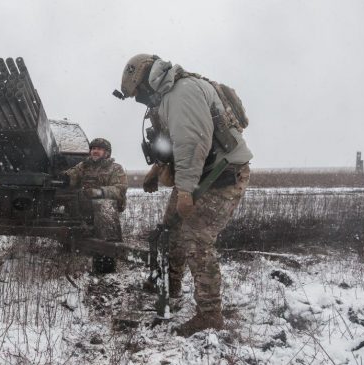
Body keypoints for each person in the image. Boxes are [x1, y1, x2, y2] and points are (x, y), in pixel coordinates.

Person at [118, 54, 253, 336]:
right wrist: (158, 169)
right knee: (170, 227)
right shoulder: (169, 95)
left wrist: (185, 192)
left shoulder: (182, 93)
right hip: (199, 175)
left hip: (222, 177)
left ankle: (210, 314)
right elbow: (176, 142)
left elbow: (192, 144)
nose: (142, 101)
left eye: (139, 95)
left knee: (195, 237)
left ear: (146, 81)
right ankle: (171, 284)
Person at [64, 138, 128, 273]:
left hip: (105, 206)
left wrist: (99, 192)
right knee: (71, 199)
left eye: (99, 149)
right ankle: (72, 242)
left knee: (105, 205)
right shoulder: (83, 165)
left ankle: (106, 261)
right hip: (84, 204)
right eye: (93, 149)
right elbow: (71, 176)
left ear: (107, 153)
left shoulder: (116, 168)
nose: (95, 151)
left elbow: (120, 190)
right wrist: (65, 178)